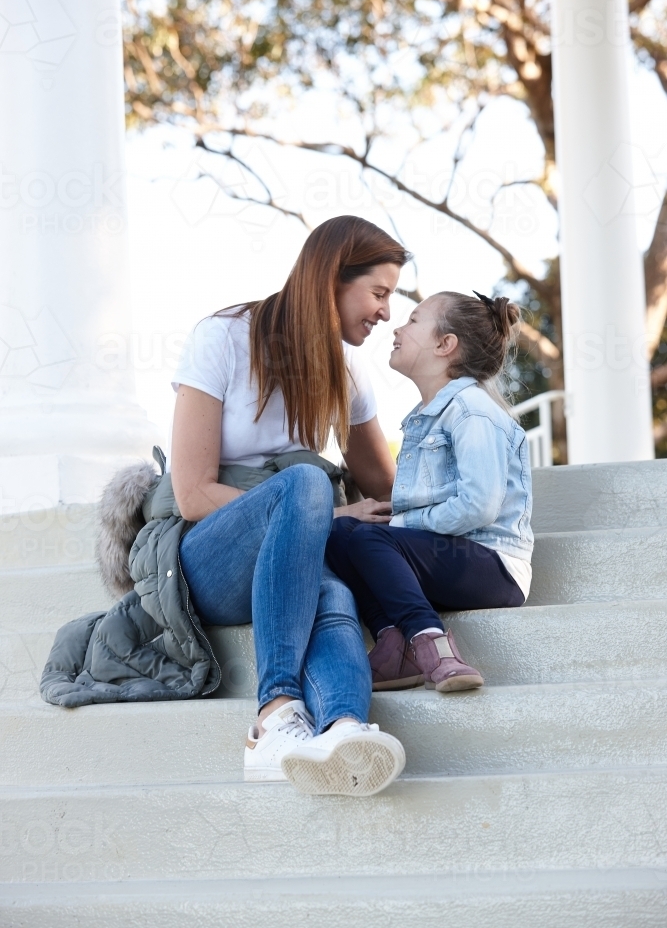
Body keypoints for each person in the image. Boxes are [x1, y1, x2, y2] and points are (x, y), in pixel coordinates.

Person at [170, 215, 407, 796]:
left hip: (292, 561)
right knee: (306, 483)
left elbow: (386, 487)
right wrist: (325, 513)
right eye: (378, 293)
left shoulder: (347, 370)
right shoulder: (222, 337)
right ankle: (274, 713)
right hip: (209, 559)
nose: (385, 313)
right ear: (332, 279)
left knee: (331, 591)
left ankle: (344, 731)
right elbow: (193, 494)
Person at [326, 290, 533, 694]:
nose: (397, 328)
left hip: (494, 565)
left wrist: (400, 522)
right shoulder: (426, 418)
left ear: (445, 345)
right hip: (447, 555)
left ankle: (432, 643)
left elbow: (479, 505)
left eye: (414, 320)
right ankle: (393, 641)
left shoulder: (473, 411)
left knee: (370, 537)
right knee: (339, 534)